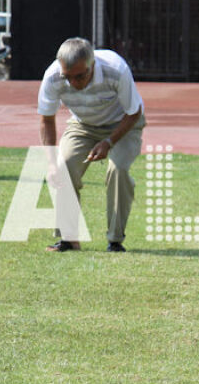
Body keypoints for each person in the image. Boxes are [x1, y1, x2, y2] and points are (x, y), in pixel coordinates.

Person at [38, 38, 145, 253]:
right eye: (68, 77)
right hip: (83, 125)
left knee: (118, 170)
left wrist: (108, 142)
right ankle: (69, 240)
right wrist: (50, 163)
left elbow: (134, 112)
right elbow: (46, 120)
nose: (74, 84)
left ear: (92, 65)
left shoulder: (115, 69)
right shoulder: (53, 77)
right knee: (62, 168)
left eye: (80, 76)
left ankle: (115, 241)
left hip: (123, 123)